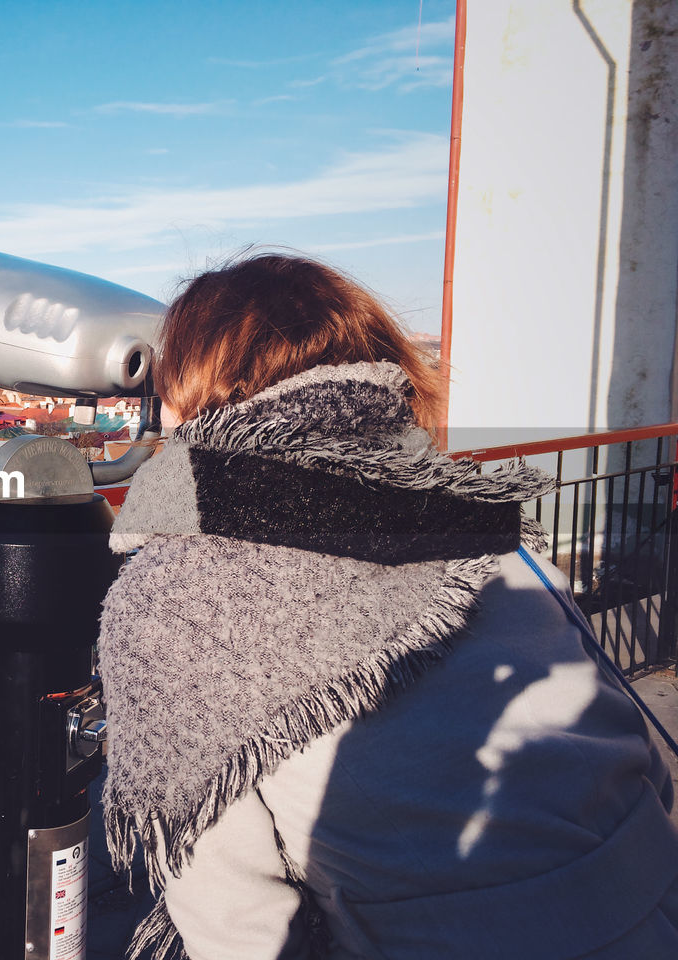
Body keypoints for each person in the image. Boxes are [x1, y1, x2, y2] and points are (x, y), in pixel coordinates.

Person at [96, 251, 678, 960]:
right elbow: (631, 749)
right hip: (646, 908)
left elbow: (237, 927)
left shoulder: (174, 596)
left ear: (189, 395)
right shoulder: (466, 514)